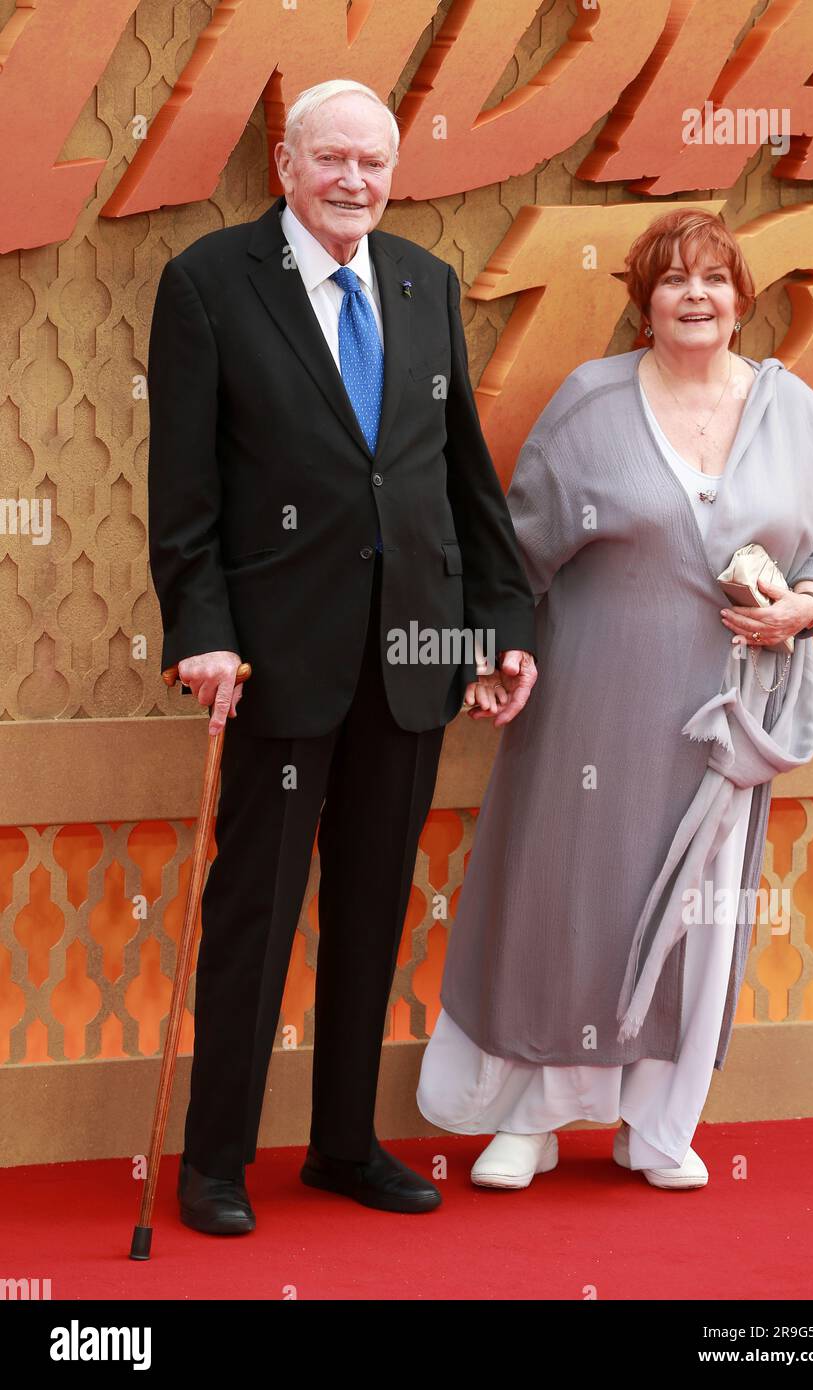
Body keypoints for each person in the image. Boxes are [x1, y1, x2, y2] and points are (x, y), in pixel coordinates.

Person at [147, 79, 538, 1232]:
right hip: (275, 659)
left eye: (374, 161)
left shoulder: (424, 282)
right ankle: (214, 1160)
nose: (356, 181)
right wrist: (201, 628)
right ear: (285, 161)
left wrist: (496, 628)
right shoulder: (209, 284)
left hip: (410, 657)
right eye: (333, 161)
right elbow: (185, 493)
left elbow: (459, 477)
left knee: (371, 909)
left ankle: (343, 1146)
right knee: (254, 915)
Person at [417, 207, 813, 1191]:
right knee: (569, 902)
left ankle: (657, 1125)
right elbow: (518, 552)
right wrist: (489, 656)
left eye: (713, 279)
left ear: (742, 300)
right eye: (671, 280)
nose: (694, 295)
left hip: (730, 712)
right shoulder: (591, 400)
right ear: (642, 301)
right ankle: (528, 1116)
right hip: (592, 706)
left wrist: (802, 606)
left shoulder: (791, 408)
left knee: (698, 917)